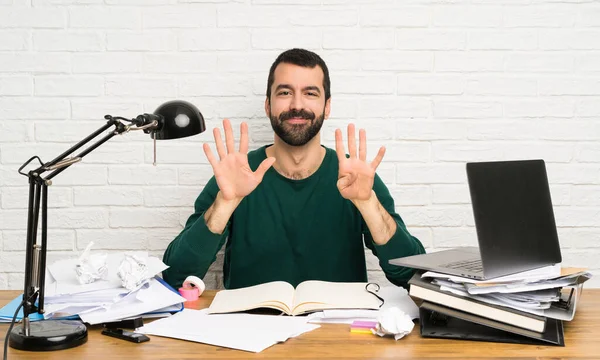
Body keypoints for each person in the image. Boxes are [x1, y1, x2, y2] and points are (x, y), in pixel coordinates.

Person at [162, 48, 425, 290]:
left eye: (310, 93)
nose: (297, 105)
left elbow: (409, 275)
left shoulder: (355, 177)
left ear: (327, 106)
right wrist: (224, 205)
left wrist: (368, 204)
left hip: (339, 334)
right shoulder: (236, 174)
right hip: (249, 332)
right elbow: (176, 276)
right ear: (267, 105)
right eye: (285, 92)